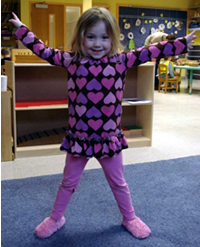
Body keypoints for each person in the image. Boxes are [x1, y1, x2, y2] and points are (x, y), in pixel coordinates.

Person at [9, 8, 196, 240]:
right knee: (68, 182)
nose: (98, 44)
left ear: (113, 39)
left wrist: (180, 43)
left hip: (109, 139)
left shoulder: (121, 61)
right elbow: (45, 51)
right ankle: (56, 218)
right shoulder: (72, 61)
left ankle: (129, 217)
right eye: (91, 37)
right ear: (80, 37)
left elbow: (150, 51)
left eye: (104, 37)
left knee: (118, 182)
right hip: (80, 139)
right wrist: (22, 30)